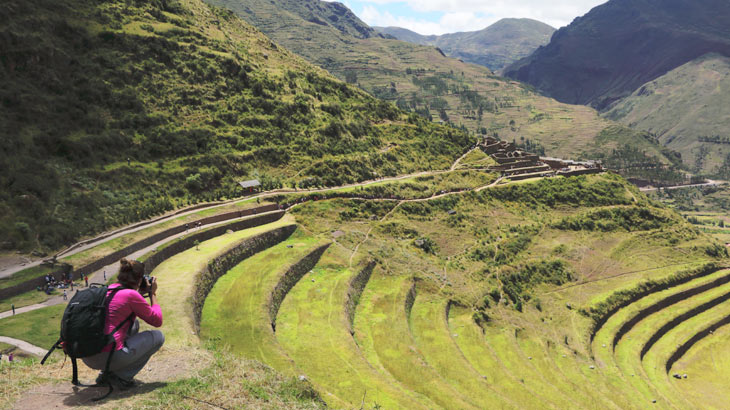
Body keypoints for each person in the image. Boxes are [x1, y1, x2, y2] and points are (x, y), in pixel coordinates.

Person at [82, 259, 164, 389]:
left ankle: (105, 374)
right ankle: (122, 377)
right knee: (158, 337)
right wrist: (152, 293)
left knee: (134, 324)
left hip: (87, 355)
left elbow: (122, 304)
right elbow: (157, 321)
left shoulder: (107, 290)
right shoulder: (131, 295)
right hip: (106, 357)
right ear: (139, 279)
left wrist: (139, 294)